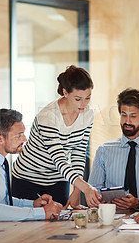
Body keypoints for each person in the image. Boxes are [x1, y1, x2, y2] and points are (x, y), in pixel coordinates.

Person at [12, 65, 101, 209]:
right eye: (78, 99)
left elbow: (78, 153)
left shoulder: (88, 115)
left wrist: (76, 192)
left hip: (58, 179)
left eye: (87, 98)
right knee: (27, 228)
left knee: (59, 225)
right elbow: (59, 159)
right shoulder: (48, 116)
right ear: (65, 93)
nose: (83, 104)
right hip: (27, 178)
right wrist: (86, 188)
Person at [88, 88, 139, 210]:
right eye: (124, 115)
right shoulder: (104, 150)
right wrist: (100, 200)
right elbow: (94, 188)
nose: (127, 121)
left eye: (133, 116)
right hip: (112, 219)